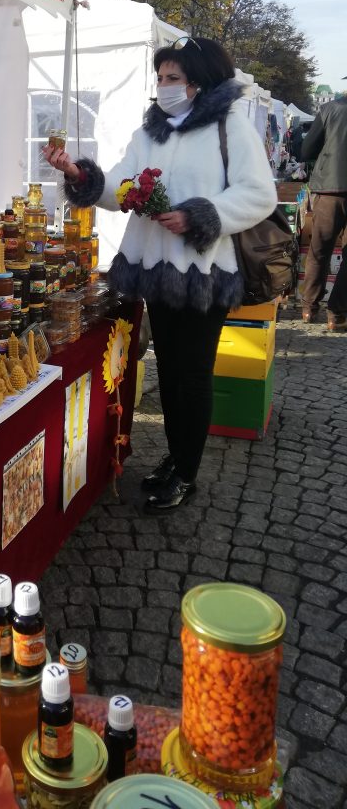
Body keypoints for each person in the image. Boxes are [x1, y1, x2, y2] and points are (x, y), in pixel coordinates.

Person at [44, 37, 276, 512]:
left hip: (204, 273)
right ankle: (176, 455)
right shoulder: (150, 131)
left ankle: (186, 471)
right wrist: (79, 175)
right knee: (170, 371)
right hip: (155, 270)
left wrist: (200, 215)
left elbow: (259, 194)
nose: (163, 86)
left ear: (199, 82)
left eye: (173, 78)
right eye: (160, 77)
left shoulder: (229, 125)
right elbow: (119, 187)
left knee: (193, 374)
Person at [299, 95, 347, 330]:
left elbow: (307, 149)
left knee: (319, 250)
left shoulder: (329, 109)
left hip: (330, 189)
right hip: (331, 186)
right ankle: (336, 313)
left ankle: (309, 307)